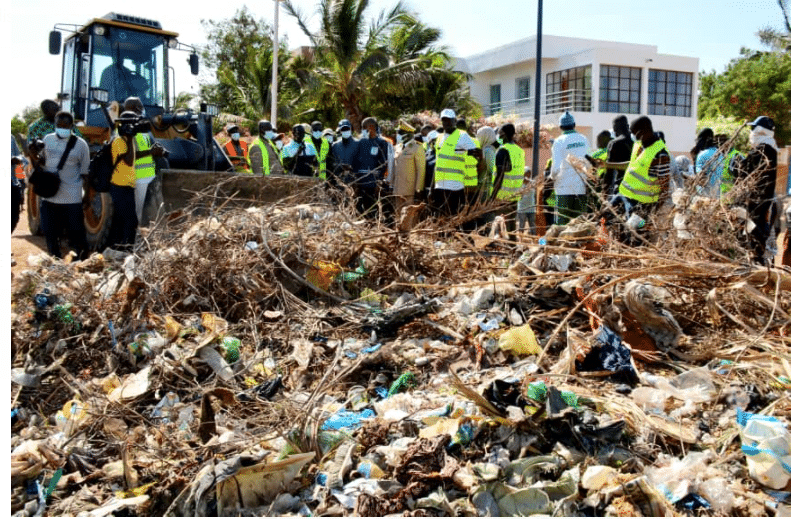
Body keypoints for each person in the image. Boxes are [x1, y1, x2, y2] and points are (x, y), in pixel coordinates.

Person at [32, 111, 90, 259]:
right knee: (50, 234)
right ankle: (56, 264)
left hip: (72, 199)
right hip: (49, 197)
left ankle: (80, 264)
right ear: (55, 124)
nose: (62, 128)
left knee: (76, 235)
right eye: (59, 125)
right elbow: (41, 163)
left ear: (72, 126)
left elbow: (85, 174)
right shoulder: (47, 139)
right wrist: (33, 155)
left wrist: (87, 196)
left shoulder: (81, 144)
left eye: (65, 125)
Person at [734, 116, 778, 264]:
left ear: (760, 131)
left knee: (753, 240)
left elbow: (743, 173)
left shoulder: (763, 150)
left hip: (756, 204)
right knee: (759, 239)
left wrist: (737, 163)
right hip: (763, 203)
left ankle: (757, 267)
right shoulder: (770, 149)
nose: (751, 132)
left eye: (753, 129)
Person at [122, 97, 166, 223]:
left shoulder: (143, 129)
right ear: (134, 108)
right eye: (140, 107)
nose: (143, 110)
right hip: (135, 177)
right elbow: (127, 155)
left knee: (148, 213)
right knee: (136, 213)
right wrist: (151, 152)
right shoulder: (124, 129)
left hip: (149, 177)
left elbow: (148, 148)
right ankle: (134, 235)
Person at [616, 115, 671, 215]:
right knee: (604, 218)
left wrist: (653, 212)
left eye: (634, 133)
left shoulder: (660, 155)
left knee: (631, 226)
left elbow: (664, 186)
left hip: (642, 205)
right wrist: (606, 165)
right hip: (624, 195)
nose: (632, 136)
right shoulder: (639, 145)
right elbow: (633, 166)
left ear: (642, 132)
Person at [431, 109, 479, 217]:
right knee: (441, 218)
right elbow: (437, 164)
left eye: (449, 120)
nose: (446, 123)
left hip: (455, 187)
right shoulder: (439, 138)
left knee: (454, 218)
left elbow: (477, 155)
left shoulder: (462, 136)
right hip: (439, 187)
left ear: (454, 121)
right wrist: (432, 187)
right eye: (444, 120)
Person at [107, 111, 142, 250]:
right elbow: (128, 161)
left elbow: (133, 156)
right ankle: (123, 249)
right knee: (128, 220)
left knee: (126, 220)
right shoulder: (119, 141)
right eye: (131, 124)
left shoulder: (127, 140)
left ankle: (123, 248)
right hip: (119, 186)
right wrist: (130, 138)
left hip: (127, 186)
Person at [550, 111, 590, 225]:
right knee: (579, 225)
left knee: (562, 225)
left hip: (563, 189)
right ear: (574, 125)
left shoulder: (559, 141)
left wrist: (551, 178)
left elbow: (555, 169)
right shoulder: (584, 139)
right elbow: (589, 163)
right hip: (581, 188)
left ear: (560, 127)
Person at [353, 117, 390, 215]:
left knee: (372, 209)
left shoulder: (382, 143)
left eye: (364, 127)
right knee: (360, 209)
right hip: (360, 181)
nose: (362, 130)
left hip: (373, 182)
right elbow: (356, 161)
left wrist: (379, 182)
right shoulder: (361, 142)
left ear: (371, 127)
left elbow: (383, 164)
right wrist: (355, 179)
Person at [391, 120, 426, 215]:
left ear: (408, 134)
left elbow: (421, 170)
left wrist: (418, 189)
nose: (398, 135)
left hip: (410, 190)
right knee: (398, 215)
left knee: (409, 216)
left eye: (400, 133)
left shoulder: (417, 148)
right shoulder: (398, 147)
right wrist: (392, 184)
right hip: (398, 189)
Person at [490, 124, 525, 211]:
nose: (498, 136)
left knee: (501, 219)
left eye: (499, 134)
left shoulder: (503, 150)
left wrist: (492, 197)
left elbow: (500, 176)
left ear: (504, 135)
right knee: (511, 219)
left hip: (501, 197)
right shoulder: (520, 151)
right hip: (515, 196)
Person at [602, 115, 632, 197]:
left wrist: (605, 193)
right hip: (636, 188)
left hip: (621, 188)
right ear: (628, 126)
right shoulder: (637, 142)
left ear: (614, 128)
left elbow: (609, 171)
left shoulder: (614, 143)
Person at [694, 130, 725, 197]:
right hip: (718, 194)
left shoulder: (701, 155)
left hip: (704, 195)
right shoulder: (721, 154)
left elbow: (700, 176)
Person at [330, 119, 359, 186]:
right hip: (339, 182)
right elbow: (332, 163)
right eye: (343, 130)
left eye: (347, 129)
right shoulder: (335, 145)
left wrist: (352, 167)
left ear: (351, 129)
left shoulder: (358, 144)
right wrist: (340, 167)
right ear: (340, 130)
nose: (345, 131)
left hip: (355, 182)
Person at [476, 126, 498, 200]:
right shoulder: (492, 149)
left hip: (484, 187)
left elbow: (489, 169)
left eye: (479, 136)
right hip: (486, 186)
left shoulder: (487, 151)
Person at [516, 166, 538, 235]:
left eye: (529, 173)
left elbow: (536, 191)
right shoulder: (519, 184)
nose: (528, 174)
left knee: (532, 225)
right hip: (522, 208)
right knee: (521, 225)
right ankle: (521, 238)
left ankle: (534, 238)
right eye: (527, 173)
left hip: (531, 208)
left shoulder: (533, 183)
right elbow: (518, 194)